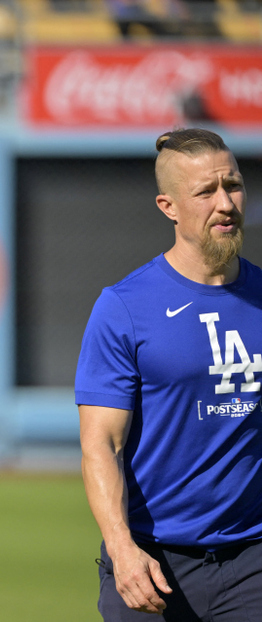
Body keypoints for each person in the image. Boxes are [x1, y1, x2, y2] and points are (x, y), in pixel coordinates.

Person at [76, 127, 262, 621]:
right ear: (169, 206)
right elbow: (101, 445)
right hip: (149, 563)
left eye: (234, 185)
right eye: (205, 192)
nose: (225, 203)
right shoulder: (124, 308)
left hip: (253, 564)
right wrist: (122, 548)